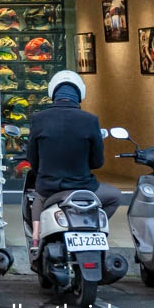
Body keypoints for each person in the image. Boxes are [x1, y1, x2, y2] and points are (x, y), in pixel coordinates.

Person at [27, 69, 122, 245]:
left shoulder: (39, 119)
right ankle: (94, 228)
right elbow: (97, 162)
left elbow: (32, 159)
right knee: (115, 196)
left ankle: (35, 238)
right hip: (84, 188)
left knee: (36, 198)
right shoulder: (90, 120)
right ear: (79, 95)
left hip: (49, 189)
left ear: (52, 93)